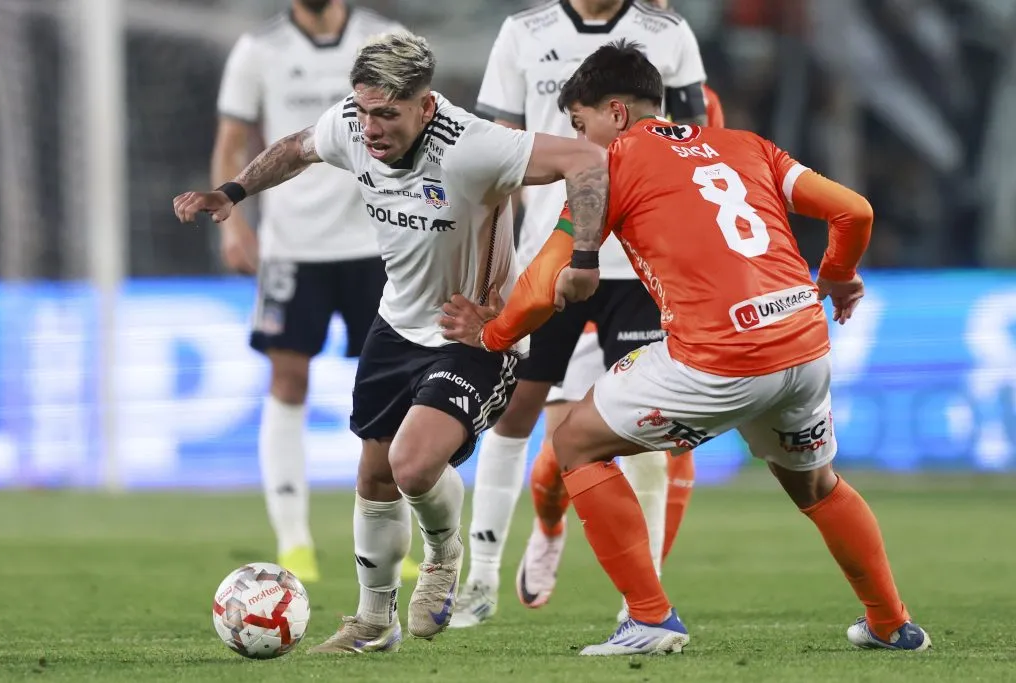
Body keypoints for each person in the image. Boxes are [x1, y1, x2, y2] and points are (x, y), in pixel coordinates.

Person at [441, 40, 929, 656]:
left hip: (720, 358)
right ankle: (891, 623)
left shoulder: (607, 166)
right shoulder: (751, 147)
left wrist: (491, 335)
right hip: (804, 346)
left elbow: (543, 286)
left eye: (580, 123)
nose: (578, 140)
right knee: (818, 487)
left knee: (574, 441)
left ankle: (648, 618)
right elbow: (854, 212)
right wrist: (836, 273)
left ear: (615, 113)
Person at [174, 30, 609, 653]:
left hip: (474, 335)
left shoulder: (475, 146)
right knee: (375, 479)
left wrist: (583, 257)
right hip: (396, 323)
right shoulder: (350, 126)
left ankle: (443, 554)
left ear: (425, 107)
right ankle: (374, 622)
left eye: (387, 113)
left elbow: (587, 160)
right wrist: (233, 193)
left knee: (412, 465)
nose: (371, 128)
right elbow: (296, 148)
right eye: (363, 110)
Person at [455, 0, 709, 628]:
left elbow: (697, 143)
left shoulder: (668, 32)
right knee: (518, 411)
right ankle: (483, 577)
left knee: (652, 425)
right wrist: (493, 264)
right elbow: (494, 159)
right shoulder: (523, 32)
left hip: (640, 261)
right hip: (553, 249)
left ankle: (640, 600)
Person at [211, 0, 424, 583]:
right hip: (292, 246)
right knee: (288, 379)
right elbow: (231, 138)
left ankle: (397, 537)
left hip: (377, 240)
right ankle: (294, 540)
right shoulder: (260, 48)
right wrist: (234, 223)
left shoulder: (385, 37)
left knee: (396, 386)